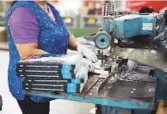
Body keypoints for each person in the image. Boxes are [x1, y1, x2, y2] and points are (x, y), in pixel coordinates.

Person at [6, 1, 98, 114]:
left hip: (47, 77)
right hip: (29, 82)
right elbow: (28, 53)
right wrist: (72, 62)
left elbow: (65, 34)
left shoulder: (49, 8)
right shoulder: (22, 12)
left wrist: (79, 46)